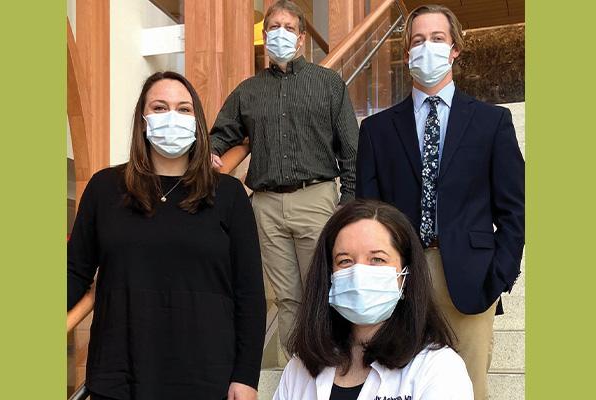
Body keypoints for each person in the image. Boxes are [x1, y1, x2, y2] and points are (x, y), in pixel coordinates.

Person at [355, 5, 525, 400]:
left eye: (436, 39)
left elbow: (513, 210)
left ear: (455, 50)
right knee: (397, 387)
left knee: (468, 389)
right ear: (406, 53)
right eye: (417, 40)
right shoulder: (376, 130)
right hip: (397, 281)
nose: (425, 47)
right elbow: (366, 213)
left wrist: (499, 275)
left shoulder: (492, 122)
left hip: (471, 280)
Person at [67, 71, 266, 400]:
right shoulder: (104, 189)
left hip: (206, 377)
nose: (172, 116)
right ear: (143, 121)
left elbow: (249, 294)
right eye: (160, 108)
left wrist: (246, 377)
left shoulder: (229, 195)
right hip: (120, 376)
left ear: (197, 121)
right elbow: (74, 273)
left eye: (183, 109)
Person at [209, 0, 359, 352]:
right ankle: (299, 372)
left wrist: (347, 202)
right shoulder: (247, 90)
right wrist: (212, 153)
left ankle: (332, 364)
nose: (280, 33)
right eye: (273, 26)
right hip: (266, 206)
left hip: (316, 196)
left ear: (301, 38)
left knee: (324, 289)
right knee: (287, 298)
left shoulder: (328, 83)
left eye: (288, 27)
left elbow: (352, 149)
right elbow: (221, 134)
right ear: (264, 35)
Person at [273, 200, 473, 399]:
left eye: (377, 259)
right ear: (328, 275)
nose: (358, 273)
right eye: (345, 261)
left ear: (405, 276)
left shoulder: (438, 369)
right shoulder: (300, 368)